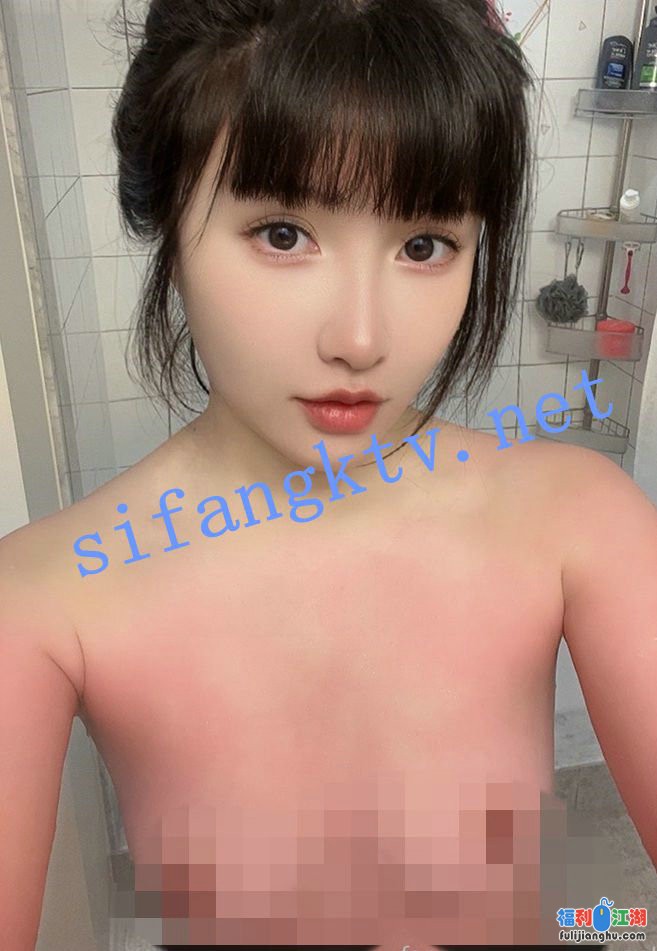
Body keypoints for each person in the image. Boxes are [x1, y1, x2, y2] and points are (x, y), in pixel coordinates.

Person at [1, 0, 655, 948]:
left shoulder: (582, 518)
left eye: (424, 245)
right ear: (168, 222)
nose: (359, 337)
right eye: (282, 234)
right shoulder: (40, 599)